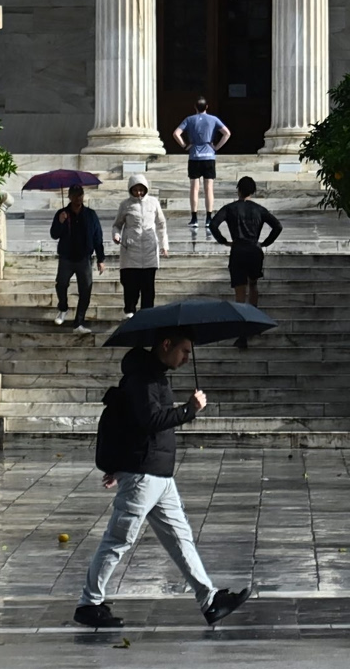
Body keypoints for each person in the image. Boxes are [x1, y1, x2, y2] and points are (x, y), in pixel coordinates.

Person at [74, 328, 251, 628]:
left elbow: (136, 425)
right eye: (184, 351)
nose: (186, 358)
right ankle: (89, 603)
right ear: (166, 344)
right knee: (118, 540)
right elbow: (150, 421)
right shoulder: (142, 378)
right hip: (144, 476)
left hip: (158, 475)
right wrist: (189, 409)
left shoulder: (153, 376)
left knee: (181, 539)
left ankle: (209, 601)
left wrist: (122, 467)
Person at [208, 177, 283, 349]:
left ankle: (242, 332)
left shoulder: (230, 208)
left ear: (238, 190)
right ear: (253, 191)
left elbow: (213, 225)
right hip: (254, 250)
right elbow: (277, 226)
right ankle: (254, 320)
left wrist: (224, 241)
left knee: (240, 291)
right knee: (253, 284)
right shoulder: (259, 209)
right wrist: (265, 243)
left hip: (238, 250)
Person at [50, 185, 105, 334]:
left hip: (84, 258)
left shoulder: (90, 214)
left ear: (83, 196)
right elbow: (54, 234)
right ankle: (63, 308)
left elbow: (97, 237)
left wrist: (101, 259)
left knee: (85, 290)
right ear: (69, 197)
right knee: (61, 284)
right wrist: (60, 222)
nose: (77, 198)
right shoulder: (62, 213)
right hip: (66, 257)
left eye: (80, 195)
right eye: (74, 195)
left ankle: (78, 323)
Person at [112, 174, 168, 318]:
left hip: (149, 252)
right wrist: (116, 235)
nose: (138, 193)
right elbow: (117, 225)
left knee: (148, 289)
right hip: (131, 252)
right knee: (131, 288)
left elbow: (161, 225)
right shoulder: (125, 205)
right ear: (130, 190)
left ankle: (147, 317)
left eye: (141, 189)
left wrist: (164, 244)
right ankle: (129, 312)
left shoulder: (153, 203)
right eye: (135, 190)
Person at [172, 97, 231, 229]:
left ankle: (194, 218)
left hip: (194, 156)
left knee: (194, 187)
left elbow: (176, 133)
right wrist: (216, 147)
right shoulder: (213, 119)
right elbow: (227, 133)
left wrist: (185, 145)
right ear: (207, 107)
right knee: (209, 188)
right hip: (209, 155)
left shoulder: (189, 119)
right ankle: (209, 218)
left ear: (195, 107)